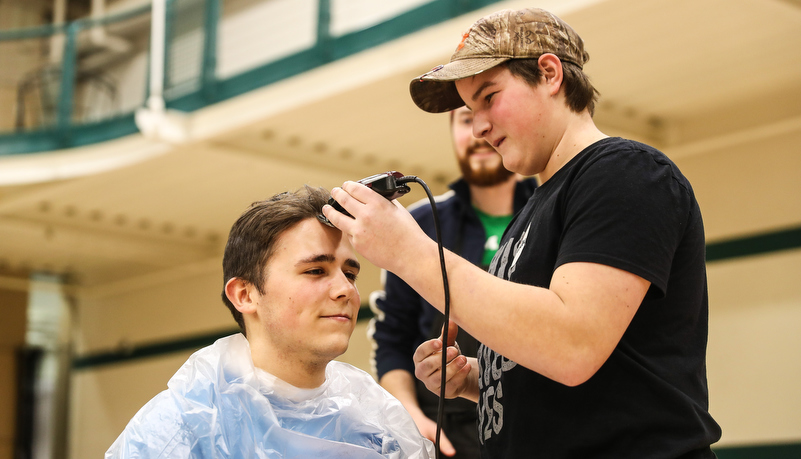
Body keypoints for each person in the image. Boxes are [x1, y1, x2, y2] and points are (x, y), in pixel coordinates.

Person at [323, 7, 722, 459]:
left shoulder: (625, 172)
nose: (478, 127)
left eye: (489, 97)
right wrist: (478, 379)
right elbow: (573, 369)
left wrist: (409, 252)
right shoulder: (533, 210)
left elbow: (573, 344)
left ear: (549, 73)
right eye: (470, 110)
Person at [106, 186, 435, 459]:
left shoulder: (376, 420)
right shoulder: (184, 426)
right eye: (316, 270)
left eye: (350, 274)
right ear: (245, 295)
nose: (346, 290)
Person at [369, 106, 536, 458]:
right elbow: (392, 339)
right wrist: (410, 418)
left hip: (538, 425)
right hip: (444, 438)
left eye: (489, 111)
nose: (478, 130)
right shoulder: (417, 225)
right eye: (464, 119)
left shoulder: (555, 212)